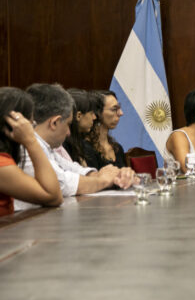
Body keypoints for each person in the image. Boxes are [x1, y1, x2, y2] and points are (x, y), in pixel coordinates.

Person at [13, 84, 134, 211]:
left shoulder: (45, 146)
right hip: (21, 220)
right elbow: (62, 184)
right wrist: (103, 180)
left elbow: (73, 169)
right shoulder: (27, 146)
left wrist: (110, 175)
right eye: (68, 124)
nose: (68, 133)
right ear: (54, 122)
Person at [0, 87, 62, 215]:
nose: (32, 131)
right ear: (14, 124)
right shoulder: (2, 164)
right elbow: (53, 196)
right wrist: (31, 141)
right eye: (30, 126)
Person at [84, 90, 126, 169]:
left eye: (119, 108)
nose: (121, 113)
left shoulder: (117, 148)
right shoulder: (86, 148)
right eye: (114, 109)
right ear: (97, 113)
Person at [63, 89, 99, 166]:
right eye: (91, 113)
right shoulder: (63, 145)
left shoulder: (81, 144)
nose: (94, 117)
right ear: (79, 116)